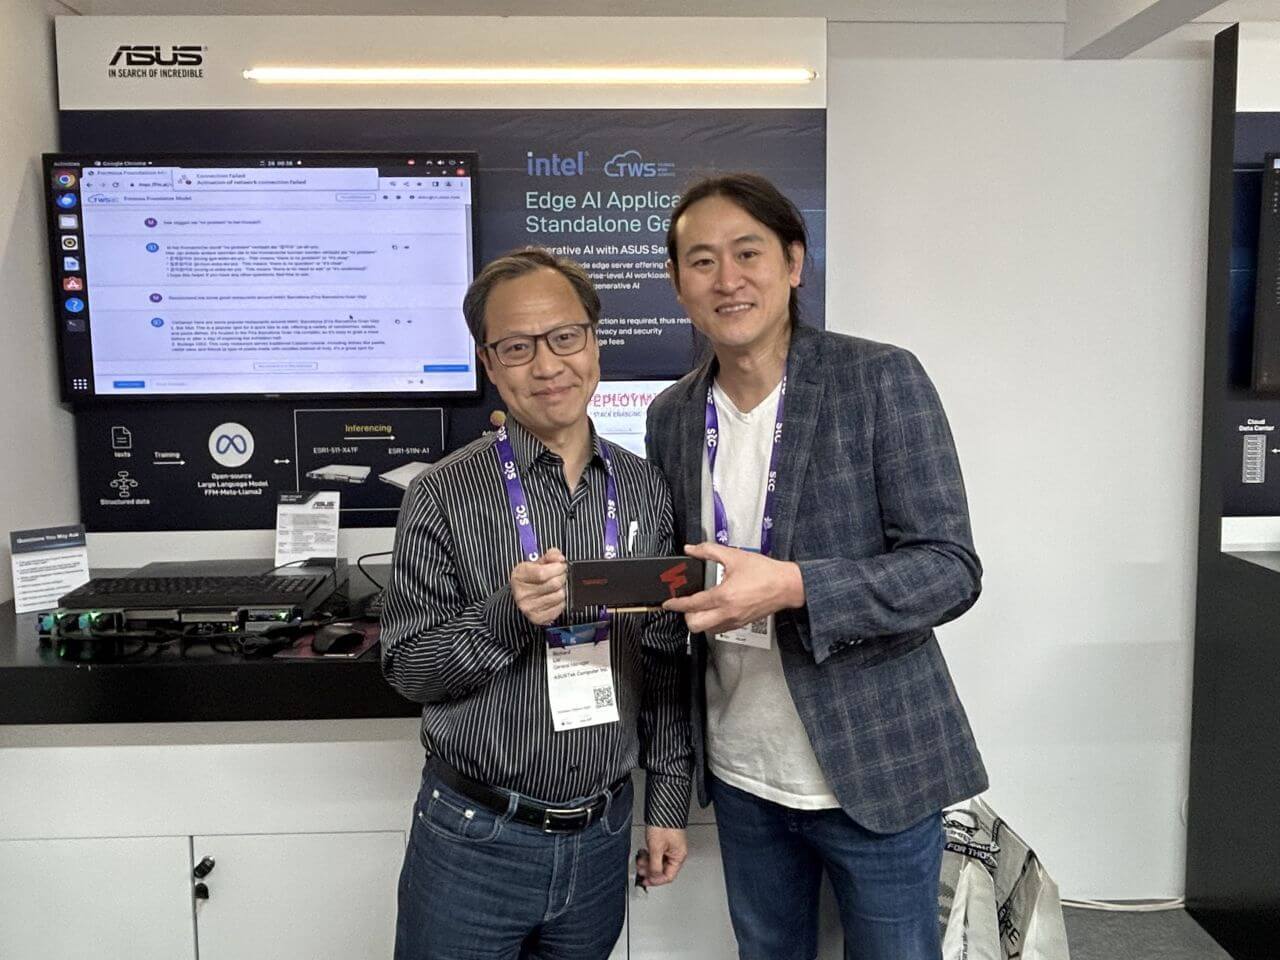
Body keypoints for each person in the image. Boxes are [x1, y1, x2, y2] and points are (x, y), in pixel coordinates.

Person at [645, 173, 987, 960]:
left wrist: (796, 586)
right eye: (701, 261)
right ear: (676, 283)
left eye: (748, 252)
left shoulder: (878, 380)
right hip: (741, 772)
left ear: (794, 263)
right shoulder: (671, 417)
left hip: (876, 767)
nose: (727, 279)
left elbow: (949, 568)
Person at [382, 248, 692, 960]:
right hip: (474, 837)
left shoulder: (647, 490)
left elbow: (667, 659)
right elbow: (408, 669)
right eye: (518, 348)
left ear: (594, 340)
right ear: (490, 364)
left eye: (565, 337)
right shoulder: (442, 494)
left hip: (601, 840)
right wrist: (507, 615)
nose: (548, 366)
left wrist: (667, 802)